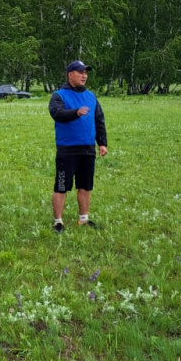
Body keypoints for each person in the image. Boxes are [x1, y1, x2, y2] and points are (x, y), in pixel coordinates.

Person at [48, 59, 108, 232]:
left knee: (85, 185)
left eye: (85, 73)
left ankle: (84, 219)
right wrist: (76, 112)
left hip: (87, 149)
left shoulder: (91, 96)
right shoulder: (59, 95)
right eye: (80, 72)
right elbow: (57, 113)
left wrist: (102, 143)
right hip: (67, 149)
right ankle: (58, 222)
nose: (84, 76)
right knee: (61, 186)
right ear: (70, 75)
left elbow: (99, 120)